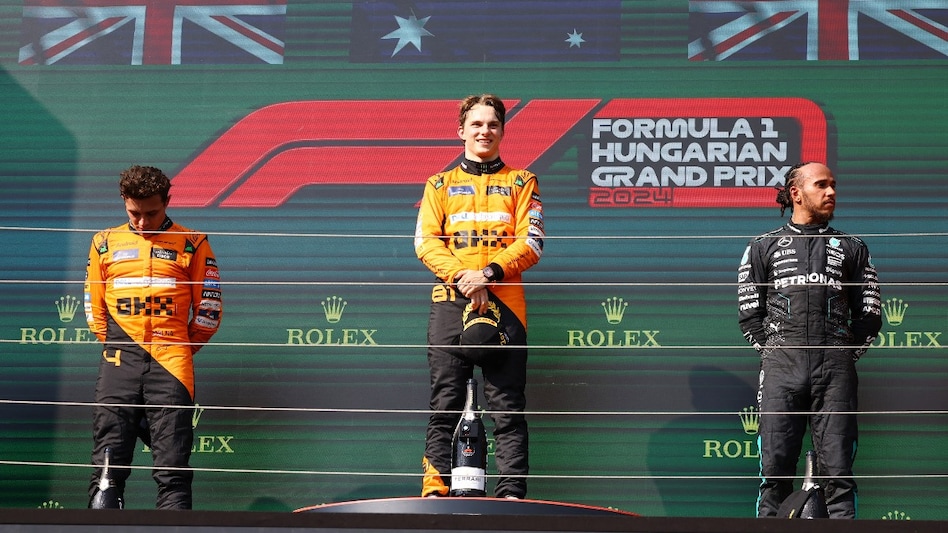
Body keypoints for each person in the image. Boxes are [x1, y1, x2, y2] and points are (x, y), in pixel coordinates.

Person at [414, 94, 544, 499]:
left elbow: (533, 242)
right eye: (476, 124)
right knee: (445, 402)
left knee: (507, 405)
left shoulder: (522, 181)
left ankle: (511, 494)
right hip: (451, 299)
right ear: (461, 131)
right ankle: (436, 491)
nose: (484, 131)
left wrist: (487, 275)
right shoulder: (438, 184)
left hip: (505, 301)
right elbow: (425, 243)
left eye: (492, 124)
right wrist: (464, 277)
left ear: (502, 131)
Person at [737, 162, 882, 518]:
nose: (831, 192)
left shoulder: (853, 247)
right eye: (821, 185)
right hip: (780, 369)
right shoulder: (762, 246)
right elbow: (749, 314)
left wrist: (841, 355)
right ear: (796, 193)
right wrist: (776, 354)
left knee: (838, 477)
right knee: (774, 476)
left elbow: (870, 315)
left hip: (835, 371)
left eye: (833, 185)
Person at [84, 165, 222, 509]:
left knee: (173, 470)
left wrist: (175, 347)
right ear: (123, 201)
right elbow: (94, 311)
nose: (143, 222)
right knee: (107, 470)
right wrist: (124, 345)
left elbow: (208, 312)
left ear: (167, 202)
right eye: (134, 213)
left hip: (172, 364)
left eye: (152, 213)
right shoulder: (103, 243)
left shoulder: (193, 242)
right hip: (119, 362)